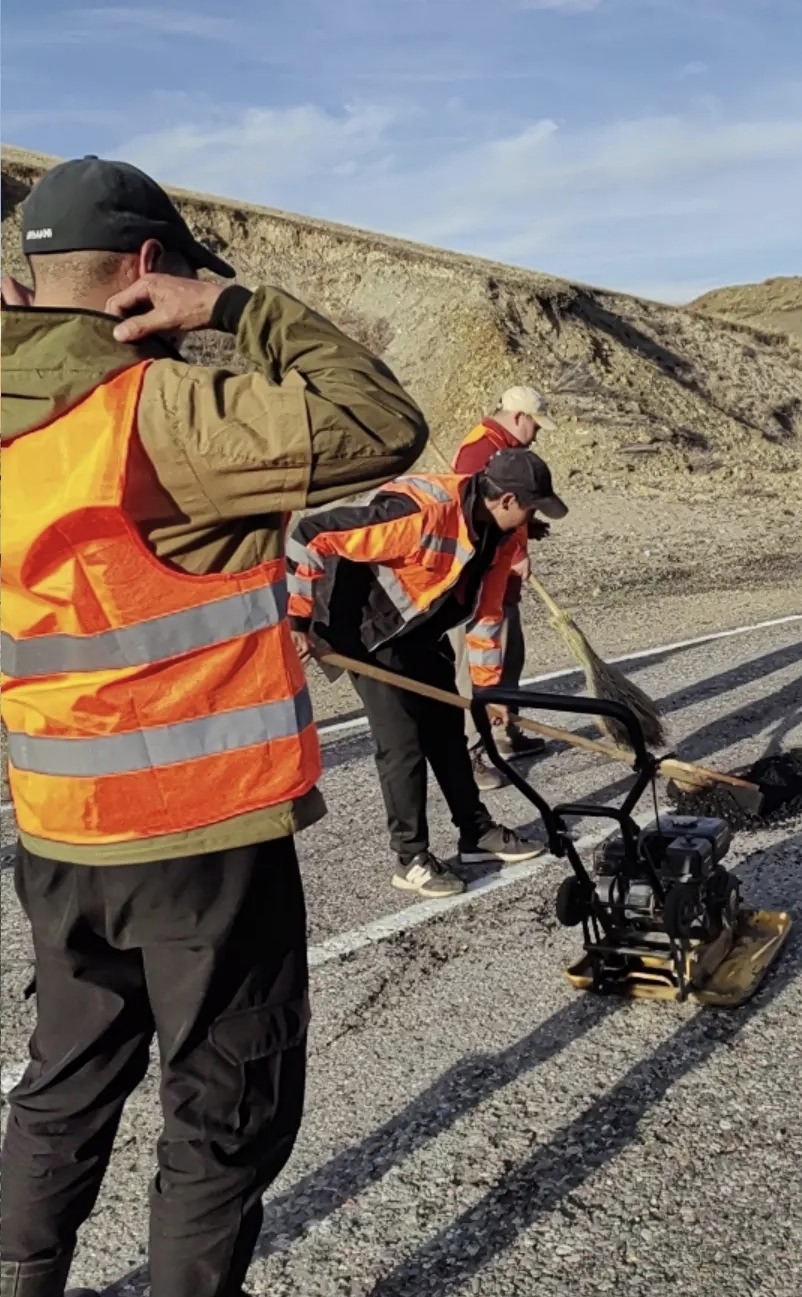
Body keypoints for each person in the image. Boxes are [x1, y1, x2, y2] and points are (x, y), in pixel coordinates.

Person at [0, 156, 428, 1297]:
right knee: (223, 1105)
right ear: (146, 270)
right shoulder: (154, 409)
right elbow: (382, 422)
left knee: (64, 1084)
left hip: (56, 827)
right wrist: (232, 306)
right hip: (199, 838)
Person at [287, 448, 566, 899]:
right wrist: (296, 620)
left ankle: (475, 833)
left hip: (419, 628)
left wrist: (490, 689)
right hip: (364, 632)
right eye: (532, 507)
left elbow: (488, 617)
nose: (534, 519)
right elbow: (311, 533)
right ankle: (410, 857)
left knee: (446, 730)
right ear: (508, 500)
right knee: (403, 744)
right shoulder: (422, 512)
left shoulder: (503, 538)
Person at [450, 385, 558, 791]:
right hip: (482, 582)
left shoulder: (505, 446)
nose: (538, 434)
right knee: (476, 665)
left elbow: (511, 507)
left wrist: (529, 525)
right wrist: (513, 554)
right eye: (536, 425)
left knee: (510, 654)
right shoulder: (481, 450)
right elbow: (477, 515)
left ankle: (504, 730)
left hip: (502, 582)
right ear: (517, 417)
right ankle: (474, 749)